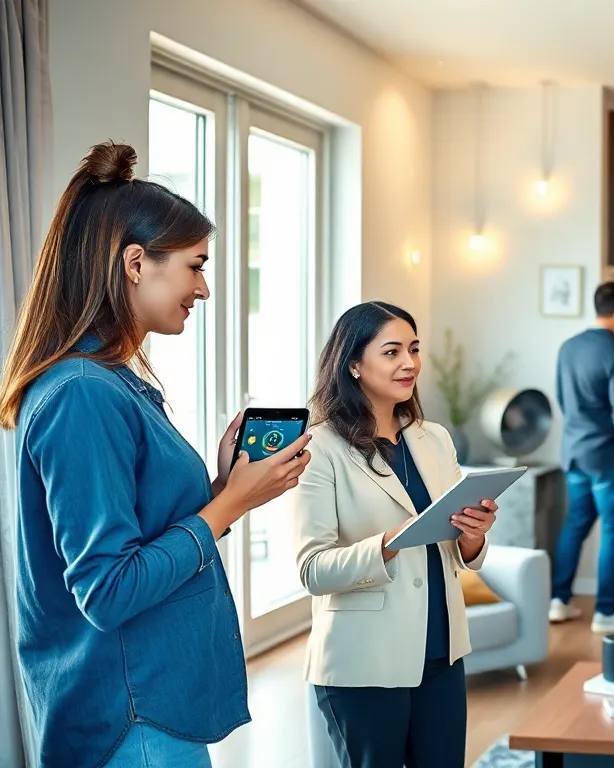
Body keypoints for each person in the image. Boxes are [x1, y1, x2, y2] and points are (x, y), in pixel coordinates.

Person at [0, 142, 312, 767]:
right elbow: (109, 588)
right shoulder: (83, 394)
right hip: (130, 718)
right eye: (196, 266)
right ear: (136, 263)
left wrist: (226, 489)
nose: (203, 287)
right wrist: (226, 507)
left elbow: (138, 533)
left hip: (148, 705)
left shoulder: (112, 383)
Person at [293, 300, 496, 768]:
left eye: (414, 349)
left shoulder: (435, 438)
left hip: (441, 652)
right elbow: (312, 569)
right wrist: (389, 543)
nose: (409, 363)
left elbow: (456, 548)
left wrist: (472, 536)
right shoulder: (318, 448)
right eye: (391, 352)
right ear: (353, 364)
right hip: (363, 660)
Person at [548, 281, 614, 634]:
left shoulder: (568, 348)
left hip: (574, 452)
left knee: (575, 524)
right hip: (608, 456)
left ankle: (558, 600)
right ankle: (606, 611)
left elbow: (562, 399)